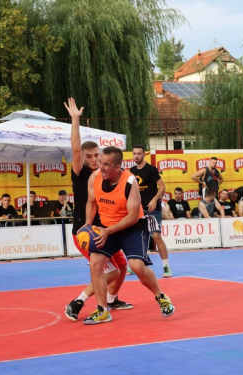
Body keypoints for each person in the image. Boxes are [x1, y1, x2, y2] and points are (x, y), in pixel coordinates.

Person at [84, 146, 175, 324]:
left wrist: (108, 231)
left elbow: (133, 216)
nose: (101, 167)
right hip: (107, 226)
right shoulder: (94, 177)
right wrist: (88, 224)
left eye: (106, 164)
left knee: (137, 266)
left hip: (132, 227)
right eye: (101, 162)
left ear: (117, 167)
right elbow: (91, 201)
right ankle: (103, 310)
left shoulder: (129, 182)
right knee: (95, 264)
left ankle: (161, 296)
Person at [63, 97, 132, 322]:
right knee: (109, 270)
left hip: (104, 231)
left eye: (96, 156)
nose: (94, 160)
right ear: (83, 159)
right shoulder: (81, 174)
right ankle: (79, 301)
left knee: (122, 267)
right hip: (84, 231)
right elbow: (75, 149)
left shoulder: (107, 175)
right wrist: (75, 120)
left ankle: (111, 299)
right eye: (89, 157)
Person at [130, 145, 173, 278]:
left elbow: (162, 186)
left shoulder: (151, 170)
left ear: (144, 155)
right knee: (136, 237)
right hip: (139, 210)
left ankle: (166, 267)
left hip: (153, 210)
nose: (136, 156)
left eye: (139, 154)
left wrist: (155, 199)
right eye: (134, 154)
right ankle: (135, 265)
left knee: (156, 237)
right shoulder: (131, 170)